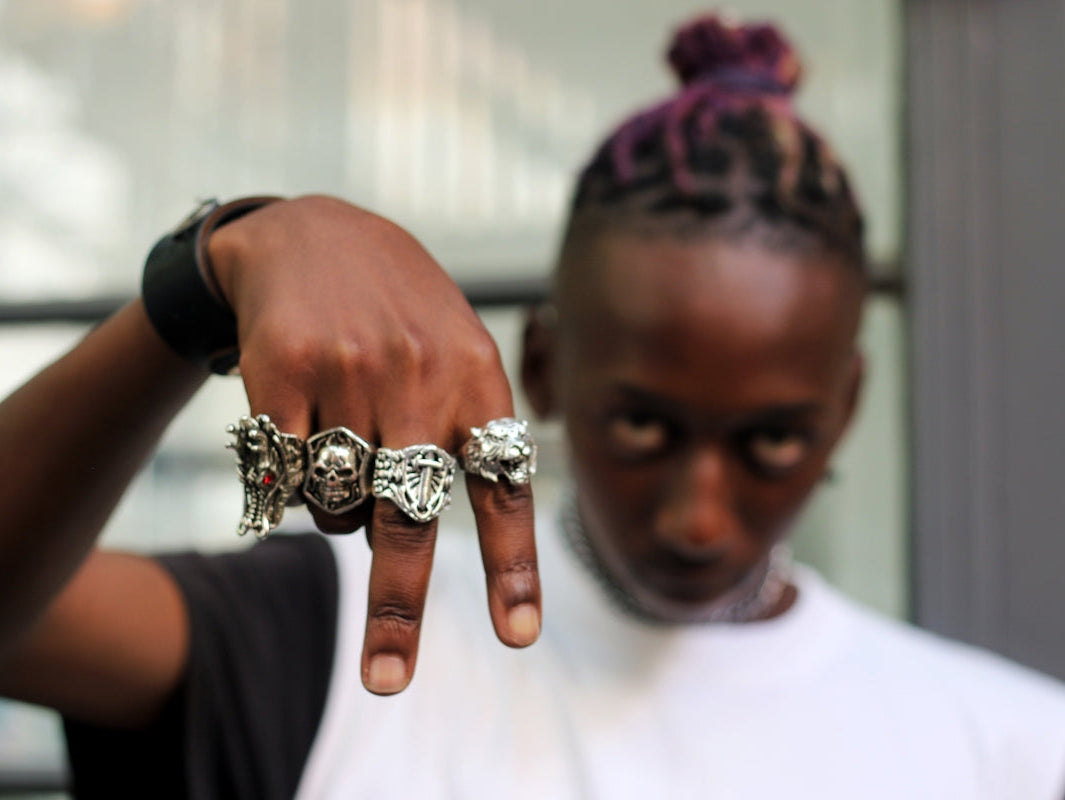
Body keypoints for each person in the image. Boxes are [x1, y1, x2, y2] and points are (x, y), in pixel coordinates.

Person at [2, 13, 1065, 800]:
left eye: (772, 439)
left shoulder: (1012, 749)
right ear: (545, 367)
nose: (698, 515)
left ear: (848, 408)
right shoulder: (330, 639)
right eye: (644, 423)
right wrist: (204, 279)